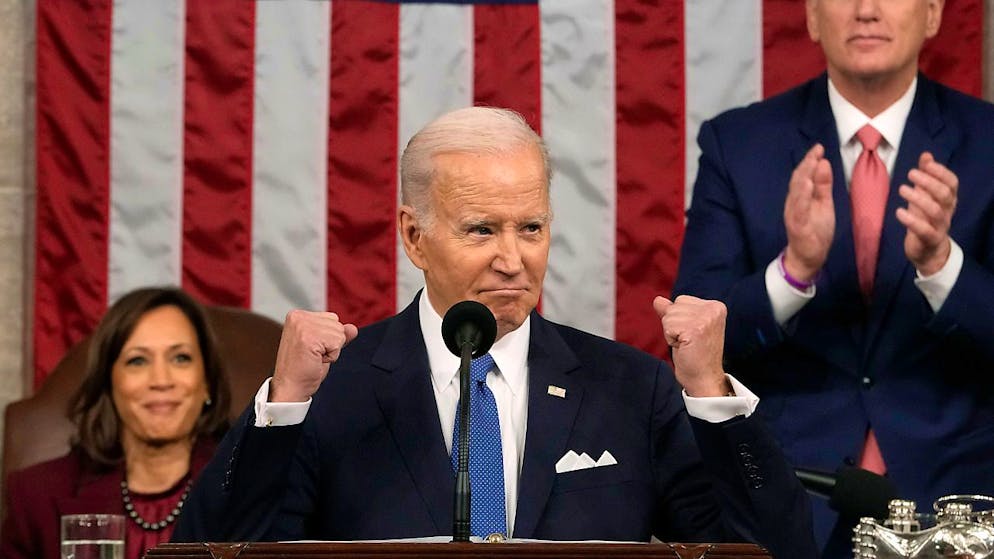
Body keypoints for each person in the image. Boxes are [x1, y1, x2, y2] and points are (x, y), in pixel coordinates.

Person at [172, 106, 816, 558]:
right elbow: (209, 553)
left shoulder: (631, 388)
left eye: (531, 228)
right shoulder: (334, 389)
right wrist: (282, 407)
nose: (514, 259)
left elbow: (773, 553)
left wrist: (711, 395)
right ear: (414, 236)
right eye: (482, 229)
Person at [674, 0, 994, 554]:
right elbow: (695, 339)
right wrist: (794, 270)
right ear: (813, 17)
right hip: (792, 494)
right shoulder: (738, 143)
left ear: (935, 14)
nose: (867, 11)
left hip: (956, 504)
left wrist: (942, 265)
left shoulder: (988, 142)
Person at [1, 287, 231, 559]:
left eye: (181, 358)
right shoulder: (37, 495)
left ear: (206, 383)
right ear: (109, 383)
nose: (161, 380)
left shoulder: (248, 487)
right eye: (137, 361)